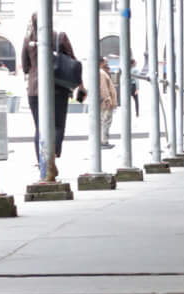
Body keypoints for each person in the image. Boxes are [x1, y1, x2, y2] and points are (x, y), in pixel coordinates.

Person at [20, 12, 84, 180]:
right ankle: (50, 162)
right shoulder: (59, 38)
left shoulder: (28, 41)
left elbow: (25, 67)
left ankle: (43, 164)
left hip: (34, 90)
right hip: (57, 89)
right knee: (57, 126)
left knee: (40, 128)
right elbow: (73, 62)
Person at [96, 56, 119, 148]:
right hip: (106, 103)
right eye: (106, 61)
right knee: (105, 121)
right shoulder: (101, 73)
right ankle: (103, 141)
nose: (107, 63)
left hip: (104, 102)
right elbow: (103, 87)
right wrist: (108, 99)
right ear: (101, 62)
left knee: (104, 121)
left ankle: (103, 140)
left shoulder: (101, 72)